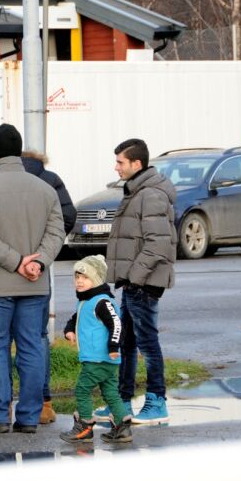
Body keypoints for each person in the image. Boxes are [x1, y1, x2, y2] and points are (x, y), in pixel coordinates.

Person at [0, 123, 65, 434]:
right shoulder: (45, 189)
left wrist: (15, 261)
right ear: (19, 153)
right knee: (32, 347)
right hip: (34, 284)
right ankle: (29, 417)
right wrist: (38, 262)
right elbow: (57, 232)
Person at [100, 138, 176, 425]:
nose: (116, 167)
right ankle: (121, 403)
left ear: (137, 164)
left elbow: (158, 245)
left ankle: (156, 401)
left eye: (120, 162)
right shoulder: (137, 192)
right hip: (134, 282)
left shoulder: (150, 195)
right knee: (127, 342)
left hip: (142, 283)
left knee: (146, 342)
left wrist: (134, 277)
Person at [20, 150, 78, 425]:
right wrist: (43, 253)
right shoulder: (50, 179)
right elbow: (68, 218)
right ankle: (42, 404)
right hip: (39, 269)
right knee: (37, 337)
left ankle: (2, 405)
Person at [59, 255, 131, 444]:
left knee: (82, 390)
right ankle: (123, 428)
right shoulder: (86, 301)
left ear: (97, 279)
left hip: (99, 358)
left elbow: (117, 325)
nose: (79, 281)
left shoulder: (102, 302)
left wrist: (114, 346)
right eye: (77, 277)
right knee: (110, 393)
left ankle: (85, 426)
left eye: (85, 277)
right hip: (101, 359)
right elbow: (76, 318)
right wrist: (68, 330)